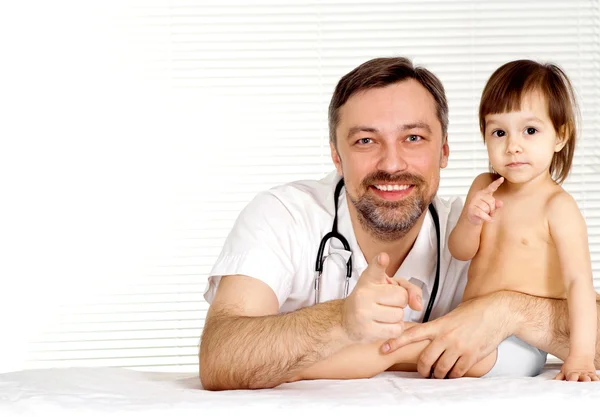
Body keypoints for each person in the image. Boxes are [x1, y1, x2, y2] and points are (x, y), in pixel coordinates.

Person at [199, 57, 600, 391]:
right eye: (366, 141)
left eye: (413, 138)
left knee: (403, 346)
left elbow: (580, 294)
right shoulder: (283, 215)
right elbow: (221, 358)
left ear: (444, 150)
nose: (392, 163)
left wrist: (506, 311)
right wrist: (341, 322)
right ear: (336, 157)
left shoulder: (492, 219)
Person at [448, 60, 598, 382]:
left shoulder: (557, 207)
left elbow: (578, 284)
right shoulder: (483, 186)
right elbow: (460, 251)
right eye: (499, 132)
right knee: (435, 345)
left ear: (560, 136)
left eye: (530, 131)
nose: (513, 146)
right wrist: (472, 220)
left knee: (436, 352)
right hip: (471, 322)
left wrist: (581, 355)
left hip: (520, 342)